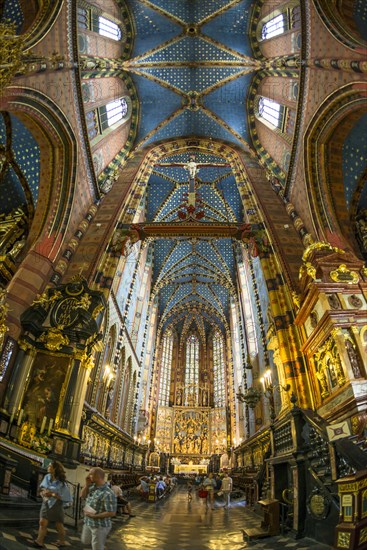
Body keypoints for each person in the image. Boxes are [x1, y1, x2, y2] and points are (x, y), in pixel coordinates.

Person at [33, 461, 71, 548]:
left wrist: (53, 494)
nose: (48, 467)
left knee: (58, 525)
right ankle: (39, 541)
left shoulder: (62, 483)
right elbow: (42, 487)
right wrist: (43, 492)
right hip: (46, 502)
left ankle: (62, 541)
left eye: (50, 466)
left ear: (55, 469)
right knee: (42, 522)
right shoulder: (46, 477)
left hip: (56, 505)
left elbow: (65, 496)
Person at [80, 467, 117, 550]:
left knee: (97, 547)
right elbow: (82, 496)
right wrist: (86, 484)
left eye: (91, 474)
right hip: (88, 522)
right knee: (85, 541)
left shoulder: (108, 493)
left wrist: (94, 516)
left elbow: (111, 512)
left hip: (100, 526)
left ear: (98, 476)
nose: (88, 476)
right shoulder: (92, 487)